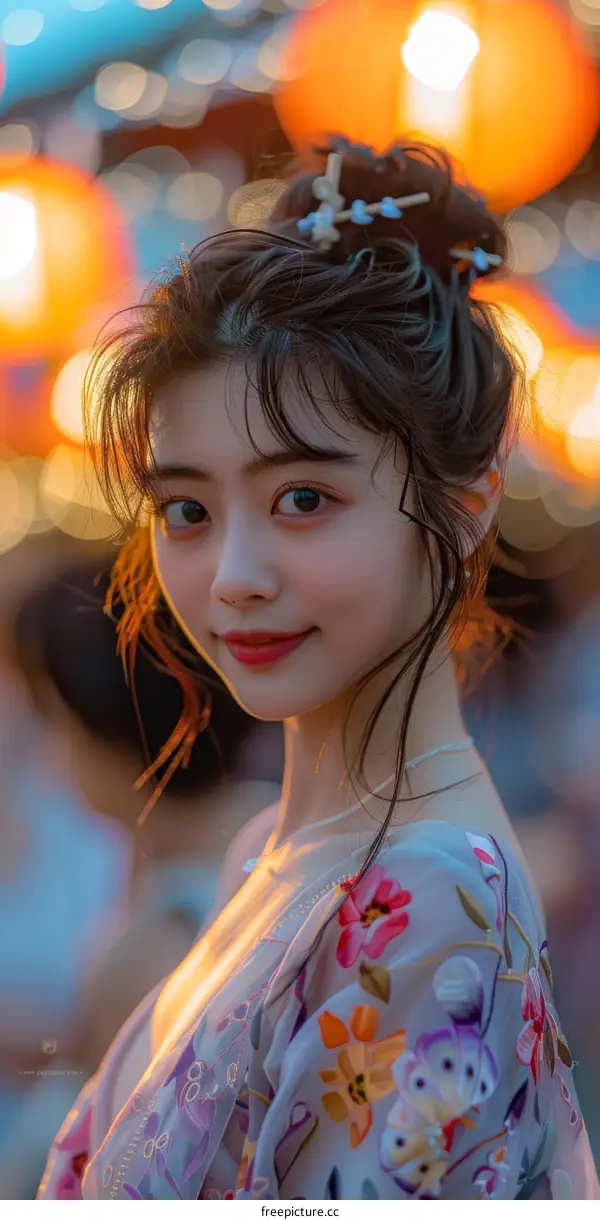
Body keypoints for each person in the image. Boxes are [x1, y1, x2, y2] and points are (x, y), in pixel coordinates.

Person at [38, 142, 598, 1201]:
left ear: (468, 500)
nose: (234, 576)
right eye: (189, 510)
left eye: (303, 498)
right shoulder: (278, 842)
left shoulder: (432, 898)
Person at [8, 557, 280, 1078]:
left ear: (110, 734)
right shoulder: (275, 825)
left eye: (53, 719)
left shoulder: (152, 955)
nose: (48, 750)